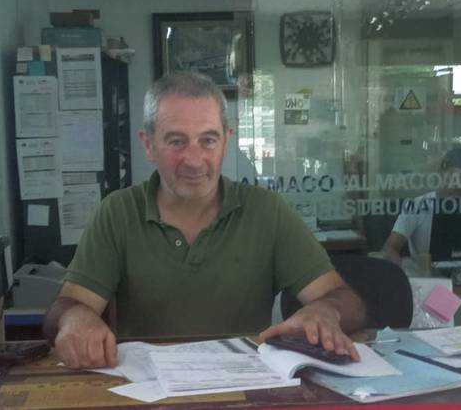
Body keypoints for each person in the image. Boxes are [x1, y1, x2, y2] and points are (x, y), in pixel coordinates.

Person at [43, 71, 367, 369]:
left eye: (208, 140)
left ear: (226, 141)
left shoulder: (267, 211)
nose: (194, 160)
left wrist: (326, 311)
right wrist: (75, 317)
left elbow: (349, 302)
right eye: (177, 141)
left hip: (246, 387)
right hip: (147, 392)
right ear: (149, 145)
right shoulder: (117, 212)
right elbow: (64, 308)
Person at [382, 147, 461, 266]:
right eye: (452, 177)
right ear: (441, 175)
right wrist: (403, 271)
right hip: (426, 272)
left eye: (460, 179)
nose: (454, 184)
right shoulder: (417, 205)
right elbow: (390, 249)